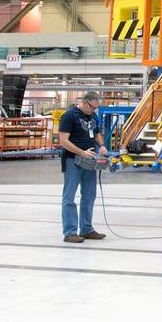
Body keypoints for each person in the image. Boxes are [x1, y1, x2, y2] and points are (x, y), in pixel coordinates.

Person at [58, 90, 108, 243]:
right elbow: (63, 141)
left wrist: (102, 146)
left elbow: (97, 133)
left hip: (89, 161)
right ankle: (70, 232)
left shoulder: (93, 116)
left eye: (96, 108)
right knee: (69, 196)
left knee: (89, 195)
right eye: (92, 107)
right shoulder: (69, 116)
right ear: (84, 102)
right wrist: (81, 152)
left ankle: (86, 229)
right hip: (73, 160)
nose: (93, 110)